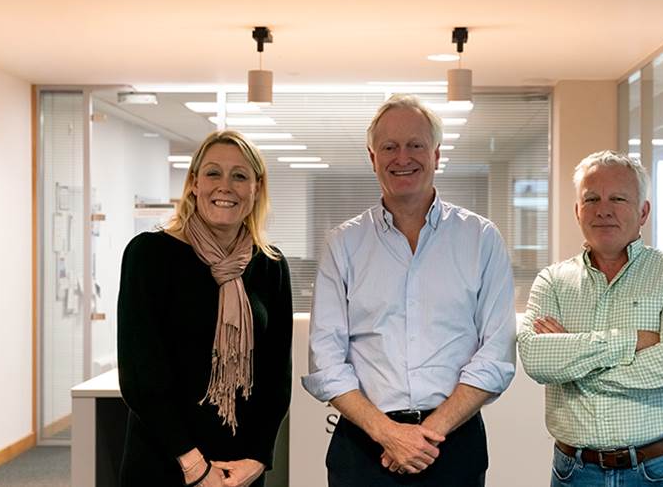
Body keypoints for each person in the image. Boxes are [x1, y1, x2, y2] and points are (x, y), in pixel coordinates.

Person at [302, 94, 516, 486]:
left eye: (415, 145)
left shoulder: (481, 238)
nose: (403, 157)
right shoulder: (344, 244)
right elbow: (326, 362)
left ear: (436, 154)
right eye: (389, 147)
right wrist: (389, 434)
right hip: (364, 446)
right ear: (372, 157)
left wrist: (427, 434)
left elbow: (497, 353)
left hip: (453, 443)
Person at [517, 150, 663, 487]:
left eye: (618, 198)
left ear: (643, 211)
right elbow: (536, 359)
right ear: (577, 211)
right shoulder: (553, 281)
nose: (603, 209)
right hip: (575, 473)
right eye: (591, 199)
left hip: (661, 472)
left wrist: (576, 368)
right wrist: (633, 340)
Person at [117, 130, 293, 487]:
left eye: (239, 176)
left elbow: (276, 376)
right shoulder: (149, 254)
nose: (225, 186)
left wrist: (258, 458)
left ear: (256, 188)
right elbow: (140, 375)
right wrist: (194, 465)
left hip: (238, 469)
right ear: (194, 183)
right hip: (164, 462)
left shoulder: (270, 266)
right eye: (213, 173)